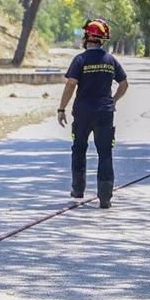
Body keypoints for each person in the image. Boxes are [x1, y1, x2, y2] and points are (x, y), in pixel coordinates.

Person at [57, 18, 129, 208]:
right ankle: (105, 197)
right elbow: (124, 84)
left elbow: (71, 84)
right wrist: (113, 100)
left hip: (83, 113)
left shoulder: (80, 60)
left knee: (79, 148)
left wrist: (61, 108)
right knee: (105, 153)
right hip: (105, 113)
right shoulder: (110, 60)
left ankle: (78, 189)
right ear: (102, 40)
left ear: (87, 37)